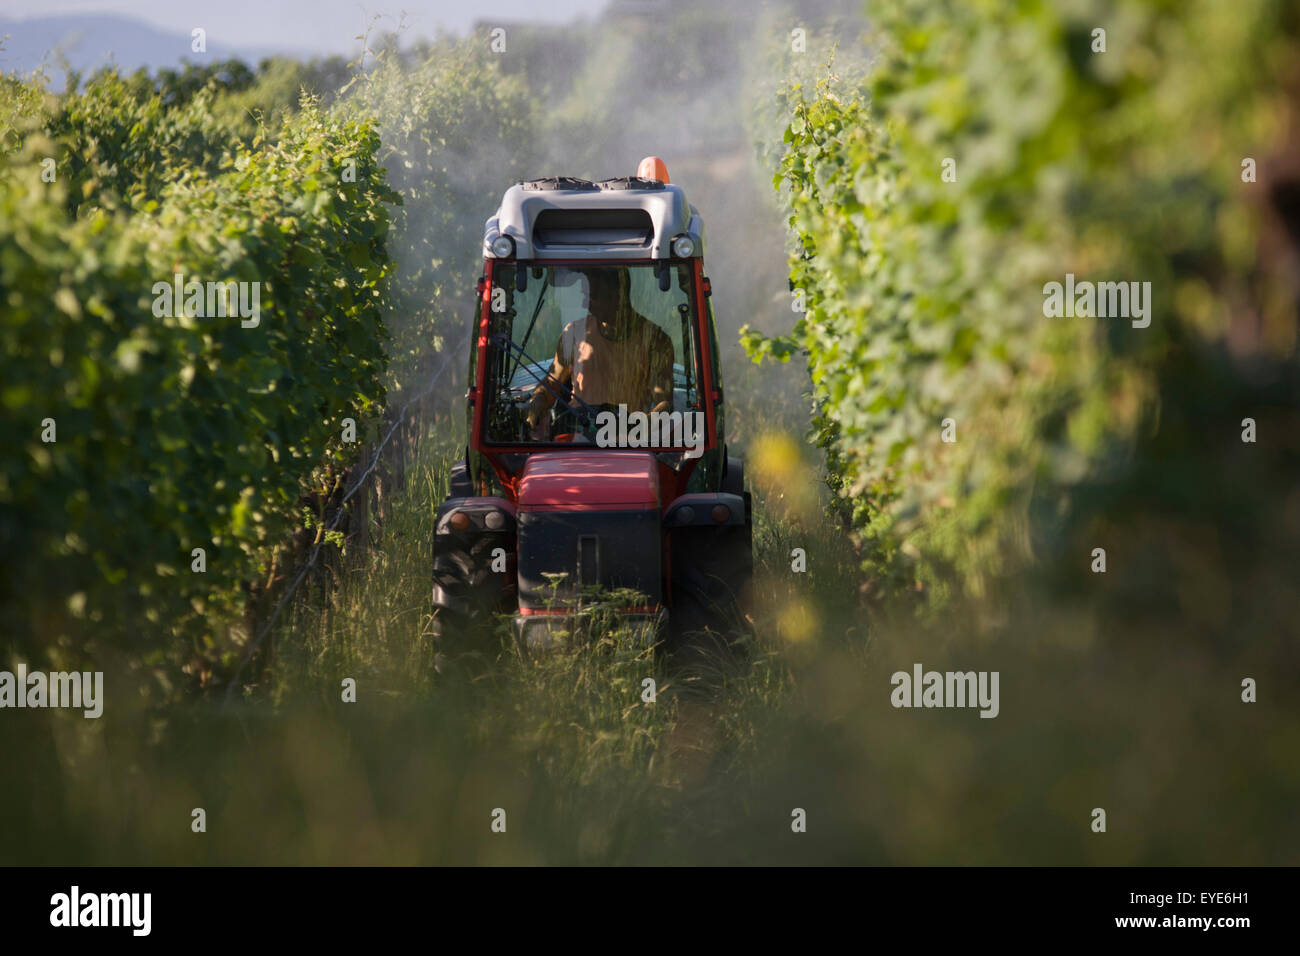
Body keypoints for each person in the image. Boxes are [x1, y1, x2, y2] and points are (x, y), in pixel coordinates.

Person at [526, 268, 675, 435]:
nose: (585, 304)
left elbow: (665, 405)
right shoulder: (574, 333)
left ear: (618, 294)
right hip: (577, 438)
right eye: (585, 296)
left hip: (628, 443)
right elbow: (552, 383)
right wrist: (538, 399)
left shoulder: (655, 341)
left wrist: (635, 427)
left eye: (592, 297)